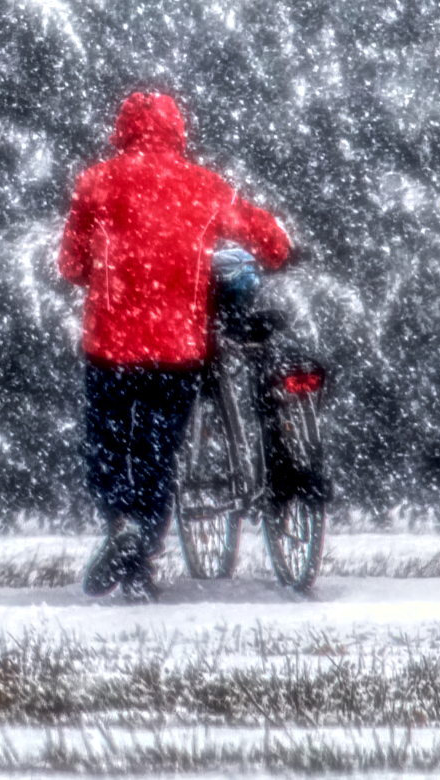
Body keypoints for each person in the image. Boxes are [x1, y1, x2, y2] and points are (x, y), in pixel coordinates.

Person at [57, 90, 290, 599]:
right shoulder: (202, 186)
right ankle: (142, 541)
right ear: (177, 131)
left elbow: (71, 266)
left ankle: (121, 523)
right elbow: (260, 231)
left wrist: (108, 273)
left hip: (110, 345)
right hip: (178, 346)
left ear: (122, 130)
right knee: (159, 449)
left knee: (109, 441)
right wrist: (279, 249)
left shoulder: (95, 183)